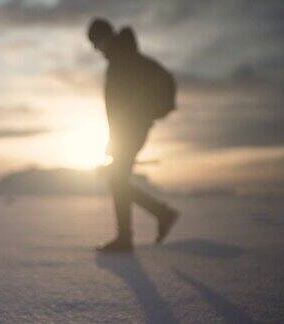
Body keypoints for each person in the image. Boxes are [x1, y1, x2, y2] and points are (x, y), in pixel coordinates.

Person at [88, 18, 179, 252]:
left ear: (103, 38)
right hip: (128, 130)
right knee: (118, 180)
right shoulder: (124, 58)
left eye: (96, 43)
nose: (95, 49)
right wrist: (113, 139)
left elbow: (124, 105)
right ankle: (159, 215)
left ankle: (128, 237)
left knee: (117, 180)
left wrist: (131, 125)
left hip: (132, 130)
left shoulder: (124, 60)